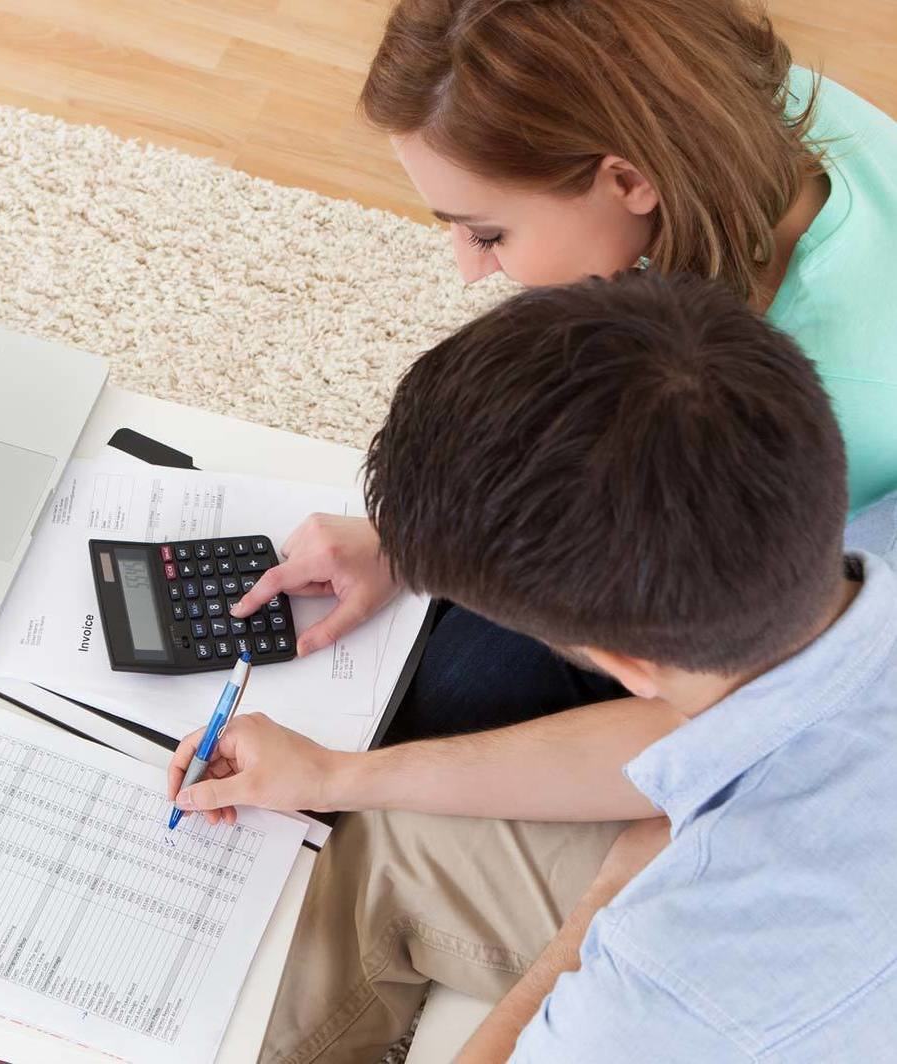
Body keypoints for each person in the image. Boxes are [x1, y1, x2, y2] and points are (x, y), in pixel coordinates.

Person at [168, 272, 897, 1061]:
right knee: (391, 839)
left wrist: (602, 911)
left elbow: (632, 988)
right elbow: (676, 729)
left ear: (621, 660)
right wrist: (336, 776)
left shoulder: (664, 982)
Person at [231, 0, 897, 742]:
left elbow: (759, 660)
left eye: (487, 232)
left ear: (628, 180)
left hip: (808, 601)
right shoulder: (745, 105)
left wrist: (430, 562)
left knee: (448, 693)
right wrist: (407, 548)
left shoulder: (835, 390)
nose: (465, 269)